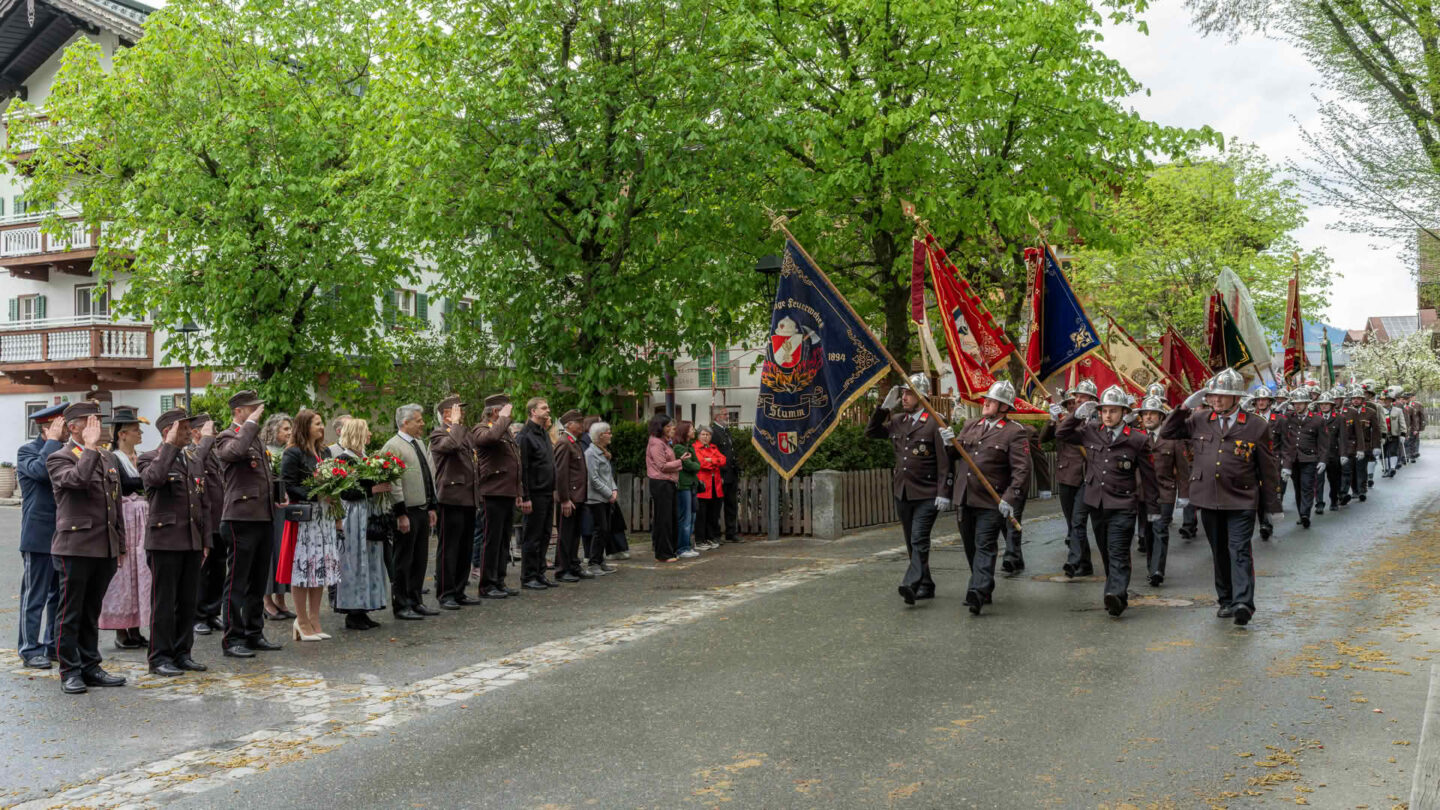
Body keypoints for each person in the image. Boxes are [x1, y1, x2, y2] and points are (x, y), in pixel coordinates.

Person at [1160, 369, 1283, 627]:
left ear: (1236, 397)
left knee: (1239, 550)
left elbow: (1267, 466)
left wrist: (1272, 504)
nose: (1216, 400)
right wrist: (1184, 407)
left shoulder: (1256, 425)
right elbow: (1167, 432)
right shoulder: (1199, 419)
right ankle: (1226, 599)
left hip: (1242, 498)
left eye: (1222, 396)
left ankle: (1243, 603)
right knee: (1219, 552)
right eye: (1213, 395)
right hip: (1208, 497)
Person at [46, 402, 127, 694]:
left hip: (103, 546)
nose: (98, 426)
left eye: (99, 420)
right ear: (73, 427)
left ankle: (91, 665)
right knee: (71, 612)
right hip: (74, 546)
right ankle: (70, 669)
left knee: (92, 610)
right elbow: (77, 481)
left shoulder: (106, 457)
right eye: (90, 421)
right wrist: (91, 449)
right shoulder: (59, 457)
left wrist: (121, 544)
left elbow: (114, 503)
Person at [1056, 385, 1158, 618]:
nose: (1108, 415)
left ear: (1123, 412)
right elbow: (1061, 434)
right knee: (1106, 551)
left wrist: (1152, 509)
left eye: (1113, 410)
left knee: (1118, 550)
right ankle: (1118, 594)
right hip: (1096, 503)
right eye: (1104, 411)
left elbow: (1150, 477)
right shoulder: (1090, 430)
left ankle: (1114, 593)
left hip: (1122, 503)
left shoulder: (1137, 439)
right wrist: (1076, 415)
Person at [939, 381, 1030, 615]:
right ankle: (984, 584)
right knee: (970, 547)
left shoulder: (1014, 431)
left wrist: (1010, 498)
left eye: (991, 400)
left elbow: (1021, 470)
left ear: (1003, 407)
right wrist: (948, 442)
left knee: (985, 545)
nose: (985, 402)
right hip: (966, 497)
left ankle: (977, 591)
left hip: (992, 500)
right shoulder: (970, 425)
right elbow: (954, 455)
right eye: (985, 399)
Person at [137, 408, 212, 676]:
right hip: (164, 541)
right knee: (164, 602)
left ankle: (183, 652)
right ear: (168, 431)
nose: (189, 432)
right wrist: (168, 446)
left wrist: (205, 540)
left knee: (187, 601)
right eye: (183, 428)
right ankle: (159, 657)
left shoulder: (192, 458)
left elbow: (203, 502)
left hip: (191, 540)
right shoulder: (149, 458)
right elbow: (154, 479)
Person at [865, 373, 952, 606]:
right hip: (903, 491)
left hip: (927, 492)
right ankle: (926, 583)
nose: (904, 397)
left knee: (918, 539)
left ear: (922, 397)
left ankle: (911, 584)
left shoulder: (935, 421)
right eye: (903, 393)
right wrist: (883, 408)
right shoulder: (899, 421)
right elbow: (871, 432)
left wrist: (944, 492)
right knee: (911, 541)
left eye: (909, 393)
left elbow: (945, 461)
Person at [213, 390, 282, 657]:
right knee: (237, 582)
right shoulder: (227, 436)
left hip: (262, 516)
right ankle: (233, 638)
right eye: (252, 409)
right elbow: (236, 452)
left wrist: (278, 496)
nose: (257, 413)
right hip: (239, 518)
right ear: (239, 411)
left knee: (257, 580)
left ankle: (254, 632)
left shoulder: (254, 439)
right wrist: (251, 424)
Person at [279, 409, 341, 641]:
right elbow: (289, 485)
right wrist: (316, 493)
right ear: (305, 426)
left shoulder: (324, 451)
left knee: (320, 569)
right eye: (316, 423)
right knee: (303, 570)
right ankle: (301, 620)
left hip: (323, 517)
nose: (321, 426)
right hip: (304, 519)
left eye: (321, 422)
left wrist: (335, 490)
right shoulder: (293, 453)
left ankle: (315, 619)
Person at [16, 403, 67, 669]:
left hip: (63, 536)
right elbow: (40, 471)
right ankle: (29, 647)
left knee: (57, 596)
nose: (67, 432)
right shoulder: (28, 451)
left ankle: (52, 645)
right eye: (62, 427)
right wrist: (53, 442)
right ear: (48, 428)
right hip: (38, 536)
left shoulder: (65, 450)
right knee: (34, 596)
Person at [334, 418, 396, 629]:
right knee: (354, 562)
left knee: (370, 561)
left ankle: (365, 607)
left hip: (368, 514)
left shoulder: (367, 458)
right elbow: (345, 491)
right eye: (366, 431)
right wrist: (373, 489)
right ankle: (353, 610)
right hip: (354, 517)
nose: (369, 434)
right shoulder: (344, 459)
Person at [98, 406, 150, 650]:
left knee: (141, 571)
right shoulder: (113, 459)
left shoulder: (139, 457)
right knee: (124, 572)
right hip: (125, 518)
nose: (140, 434)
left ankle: (135, 627)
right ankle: (121, 629)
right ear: (122, 434)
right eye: (135, 431)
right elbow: (122, 487)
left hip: (141, 518)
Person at [381, 404, 440, 619]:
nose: (422, 423)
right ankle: (402, 603)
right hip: (406, 510)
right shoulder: (392, 446)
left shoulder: (419, 443)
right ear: (405, 422)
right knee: (404, 559)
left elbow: (427, 476)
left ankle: (416, 599)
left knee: (420, 558)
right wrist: (400, 513)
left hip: (422, 508)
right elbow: (393, 482)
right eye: (418, 420)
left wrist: (432, 505)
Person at [430, 395, 481, 609]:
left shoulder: (464, 433)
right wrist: (457, 424)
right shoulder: (438, 434)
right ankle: (446, 592)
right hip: (450, 497)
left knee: (464, 547)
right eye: (458, 410)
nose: (463, 413)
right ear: (447, 414)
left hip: (468, 496)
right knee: (449, 548)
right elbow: (451, 445)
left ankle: (459, 590)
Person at [473, 394, 521, 599]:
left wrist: (519, 492)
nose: (509, 416)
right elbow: (490, 439)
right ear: (495, 412)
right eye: (504, 411)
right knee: (491, 540)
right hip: (492, 492)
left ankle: (499, 580)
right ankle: (487, 584)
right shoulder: (481, 429)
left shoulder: (504, 429)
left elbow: (516, 462)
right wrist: (503, 419)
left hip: (507, 492)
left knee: (503, 540)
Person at [1136, 396, 1188, 585]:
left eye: (1152, 414)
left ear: (1161, 417)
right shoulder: (1137, 438)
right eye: (1145, 414)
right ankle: (1152, 565)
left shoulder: (1172, 439)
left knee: (1160, 529)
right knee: (1147, 531)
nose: (1148, 417)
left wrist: (1184, 495)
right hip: (1142, 493)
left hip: (1164, 493)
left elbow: (1183, 469)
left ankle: (1158, 569)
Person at [192, 414, 227, 638]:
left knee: (218, 569)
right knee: (202, 572)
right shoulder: (193, 452)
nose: (214, 435)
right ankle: (198, 616)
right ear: (197, 432)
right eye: (210, 430)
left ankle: (212, 611)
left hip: (219, 518)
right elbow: (195, 465)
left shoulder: (213, 454)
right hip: (203, 521)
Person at [517, 397, 558, 588]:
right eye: (544, 407)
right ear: (533, 411)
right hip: (535, 493)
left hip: (547, 491)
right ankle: (528, 576)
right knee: (532, 537)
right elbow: (523, 468)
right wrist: (525, 496)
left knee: (544, 535)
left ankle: (540, 572)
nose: (548, 410)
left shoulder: (542, 433)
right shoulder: (525, 436)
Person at [259, 413, 295, 622]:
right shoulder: (266, 452)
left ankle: (281, 598)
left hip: (286, 508)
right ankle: (267, 600)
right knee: (271, 553)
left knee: (284, 551)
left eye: (290, 429)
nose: (289, 433)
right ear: (273, 430)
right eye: (285, 429)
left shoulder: (288, 452)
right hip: (270, 508)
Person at [550, 410, 592, 581]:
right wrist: (564, 499)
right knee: (566, 535)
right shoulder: (564, 443)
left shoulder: (574, 442)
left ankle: (573, 564)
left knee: (575, 534)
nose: (581, 425)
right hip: (570, 498)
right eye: (578, 422)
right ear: (569, 425)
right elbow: (560, 474)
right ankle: (563, 568)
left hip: (578, 496)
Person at [1248, 386, 1288, 541]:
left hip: (1273, 461)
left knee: (1269, 491)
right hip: (1253, 461)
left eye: (1264, 399)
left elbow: (1286, 441)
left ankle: (1267, 523)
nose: (1261, 402)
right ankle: (1263, 522)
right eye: (1258, 400)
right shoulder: (1250, 419)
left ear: (1270, 402)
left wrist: (1286, 462)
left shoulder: (1279, 420)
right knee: (1256, 493)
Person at [1287, 387, 1328, 529]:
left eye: (1299, 403)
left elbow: (1323, 443)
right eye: (1294, 403)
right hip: (1294, 460)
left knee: (1307, 486)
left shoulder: (1317, 420)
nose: (1296, 405)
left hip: (1310, 459)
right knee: (1298, 487)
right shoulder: (1289, 418)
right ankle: (1301, 513)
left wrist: (1322, 460)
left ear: (1306, 403)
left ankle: (1305, 514)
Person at [646, 414, 684, 562]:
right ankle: (663, 553)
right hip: (661, 483)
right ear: (660, 428)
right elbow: (662, 465)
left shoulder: (664, 442)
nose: (671, 428)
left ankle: (669, 550)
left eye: (671, 425)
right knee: (664, 519)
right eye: (667, 426)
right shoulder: (656, 443)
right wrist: (680, 462)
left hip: (668, 482)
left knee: (669, 518)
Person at [584, 421, 619, 574]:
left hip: (605, 497)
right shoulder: (591, 453)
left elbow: (608, 475)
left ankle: (600, 559)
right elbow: (593, 478)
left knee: (605, 530)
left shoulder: (603, 452)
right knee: (600, 529)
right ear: (600, 435)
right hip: (595, 498)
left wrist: (614, 489)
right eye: (608, 432)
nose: (610, 435)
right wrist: (608, 493)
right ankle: (593, 563)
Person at [707, 405, 743, 544]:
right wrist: (720, 474)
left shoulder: (726, 431)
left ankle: (731, 532)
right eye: (724, 414)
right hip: (721, 474)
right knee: (717, 506)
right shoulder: (714, 432)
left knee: (731, 504)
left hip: (731, 473)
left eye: (727, 414)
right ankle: (715, 534)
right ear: (717, 417)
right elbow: (714, 453)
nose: (727, 416)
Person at [693, 427, 727, 551]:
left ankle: (710, 537)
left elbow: (723, 460)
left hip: (715, 485)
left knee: (713, 514)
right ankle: (699, 540)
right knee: (701, 515)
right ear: (698, 436)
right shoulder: (695, 447)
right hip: (703, 486)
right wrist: (714, 462)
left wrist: (711, 460)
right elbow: (701, 463)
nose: (705, 437)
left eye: (708, 434)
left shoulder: (713, 447)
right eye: (703, 434)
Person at [673, 421, 701, 559]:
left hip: (692, 485)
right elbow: (692, 466)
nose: (694, 431)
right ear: (684, 431)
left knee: (693, 516)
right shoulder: (678, 448)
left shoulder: (689, 447)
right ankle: (682, 547)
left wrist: (693, 464)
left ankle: (688, 546)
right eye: (691, 429)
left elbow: (697, 464)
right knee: (685, 517)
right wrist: (693, 464)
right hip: (683, 486)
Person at [1347, 386, 1376, 503]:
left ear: (1363, 400)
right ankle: (1354, 490)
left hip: (1365, 444)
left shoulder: (1370, 412)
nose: (1356, 400)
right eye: (1354, 398)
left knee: (1361, 468)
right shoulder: (1346, 412)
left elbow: (1376, 430)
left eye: (1358, 398)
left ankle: (1362, 490)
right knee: (1352, 468)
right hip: (1350, 445)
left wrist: (1376, 445)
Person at [1381, 386, 1409, 477]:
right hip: (1382, 436)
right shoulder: (1379, 410)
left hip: (1394, 434)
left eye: (1388, 399)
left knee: (1393, 451)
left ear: (1391, 400)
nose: (1385, 401)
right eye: (1384, 399)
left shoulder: (1398, 410)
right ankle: (1385, 468)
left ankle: (1392, 468)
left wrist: (1403, 434)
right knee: (1383, 453)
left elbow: (1402, 423)